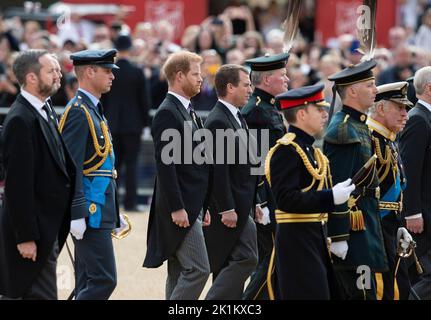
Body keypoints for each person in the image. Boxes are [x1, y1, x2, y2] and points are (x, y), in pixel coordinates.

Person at [266, 83, 354, 299]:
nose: (325, 114)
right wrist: (330, 196)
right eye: (319, 109)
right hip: (297, 241)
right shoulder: (286, 150)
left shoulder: (310, 150)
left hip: (314, 237)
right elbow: (286, 199)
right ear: (302, 113)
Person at [0, 49, 75, 299]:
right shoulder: (21, 119)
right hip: (33, 231)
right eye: (51, 71)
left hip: (47, 228)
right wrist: (26, 237)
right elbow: (17, 185)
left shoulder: (45, 109)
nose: (59, 75)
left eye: (57, 70)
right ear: (32, 78)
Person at [143, 51, 211, 300]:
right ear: (179, 76)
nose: (201, 79)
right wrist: (177, 207)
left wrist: (203, 205)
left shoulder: (187, 110)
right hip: (179, 207)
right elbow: (166, 167)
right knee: (198, 269)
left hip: (191, 203)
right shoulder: (168, 112)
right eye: (196, 74)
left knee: (181, 270)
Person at [59, 49, 124, 300]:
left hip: (100, 207)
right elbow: (70, 166)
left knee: (88, 280)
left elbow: (105, 166)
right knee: (103, 279)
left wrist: (114, 212)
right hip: (88, 209)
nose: (112, 77)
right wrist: (76, 212)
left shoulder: (93, 108)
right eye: (107, 71)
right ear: (89, 72)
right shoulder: (78, 111)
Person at [323, 60, 388, 299]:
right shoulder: (344, 131)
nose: (376, 90)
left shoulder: (357, 126)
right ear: (351, 91)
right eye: (370, 85)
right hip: (353, 231)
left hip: (367, 223)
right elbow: (339, 187)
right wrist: (339, 236)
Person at [204, 64, 259, 300]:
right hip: (230, 207)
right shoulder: (218, 120)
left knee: (228, 262)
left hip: (242, 204)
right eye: (246, 85)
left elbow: (245, 167)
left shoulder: (235, 116)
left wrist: (255, 201)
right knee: (248, 257)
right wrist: (226, 207)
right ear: (229, 87)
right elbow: (219, 170)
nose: (250, 89)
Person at [240, 52, 289, 300]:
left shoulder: (268, 107)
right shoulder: (256, 111)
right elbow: (254, 161)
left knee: (277, 260)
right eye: (282, 75)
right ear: (267, 80)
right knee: (270, 260)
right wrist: (260, 200)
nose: (287, 79)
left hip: (275, 194)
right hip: (266, 197)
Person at [367, 81, 414, 300]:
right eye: (399, 108)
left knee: (399, 287)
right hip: (376, 225)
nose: (405, 114)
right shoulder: (369, 138)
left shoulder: (387, 139)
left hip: (390, 224)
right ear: (381, 108)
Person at [102, 34, 150, 211]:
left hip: (112, 124)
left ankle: (112, 203)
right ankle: (131, 203)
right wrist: (146, 124)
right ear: (130, 49)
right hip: (133, 125)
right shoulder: (137, 71)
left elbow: (104, 99)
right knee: (132, 165)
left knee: (112, 166)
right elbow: (144, 101)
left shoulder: (110, 71)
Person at [399, 66, 431, 299]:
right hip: (422, 213)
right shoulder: (418, 119)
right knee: (426, 274)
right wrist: (412, 212)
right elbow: (409, 169)